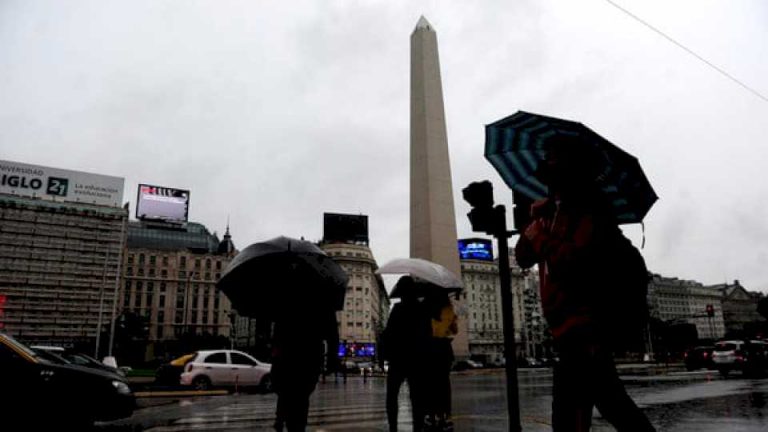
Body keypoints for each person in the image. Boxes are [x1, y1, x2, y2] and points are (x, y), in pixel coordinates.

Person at [514, 138, 656, 432]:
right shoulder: (553, 213)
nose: (545, 162)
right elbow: (523, 257)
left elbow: (572, 262)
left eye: (552, 157)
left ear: (570, 168)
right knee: (611, 405)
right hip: (568, 329)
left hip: (586, 327)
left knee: (573, 415)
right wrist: (533, 221)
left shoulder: (592, 214)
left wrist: (537, 233)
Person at [271, 270, 340, 432]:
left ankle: (283, 418)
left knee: (287, 394)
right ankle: (293, 424)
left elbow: (276, 331)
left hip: (287, 357)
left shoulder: (285, 298)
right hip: (309, 358)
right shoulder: (323, 300)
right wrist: (331, 360)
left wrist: (274, 352)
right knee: (301, 400)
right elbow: (332, 334)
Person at [381, 276, 432, 432]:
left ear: (401, 292)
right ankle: (418, 426)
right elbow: (428, 334)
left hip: (398, 359)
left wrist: (383, 355)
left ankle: (393, 427)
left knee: (392, 396)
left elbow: (388, 333)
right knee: (417, 397)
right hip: (417, 359)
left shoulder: (397, 309)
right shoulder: (423, 309)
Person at [422, 292, 458, 432]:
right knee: (444, 385)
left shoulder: (424, 307)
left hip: (430, 350)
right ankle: (446, 417)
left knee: (431, 384)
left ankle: (431, 415)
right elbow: (454, 330)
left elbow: (422, 329)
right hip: (444, 350)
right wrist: (451, 321)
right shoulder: (448, 309)